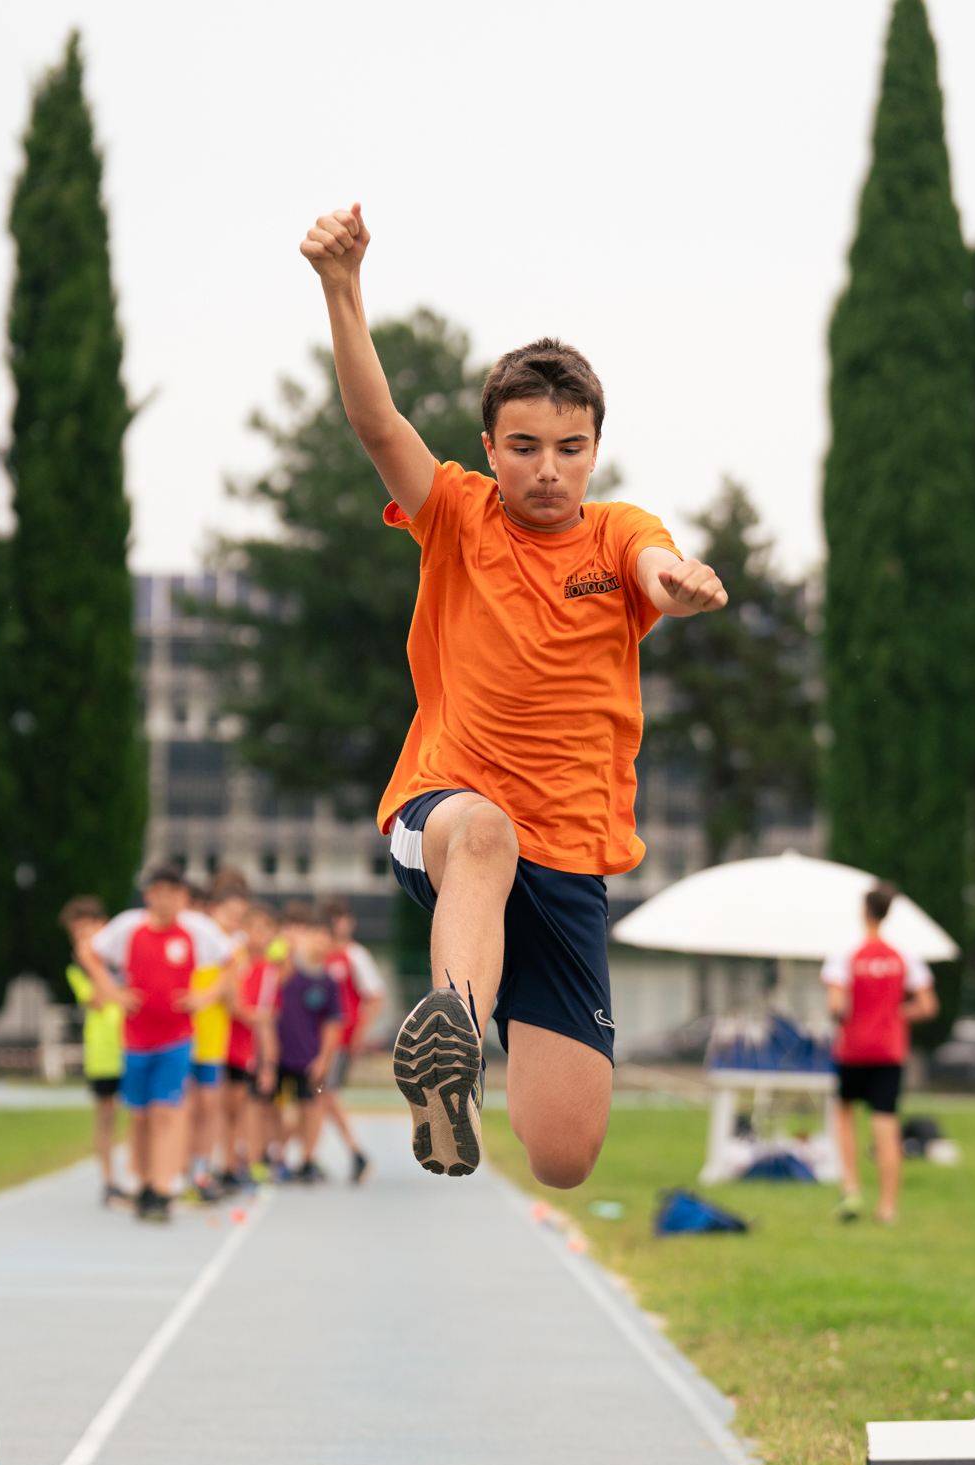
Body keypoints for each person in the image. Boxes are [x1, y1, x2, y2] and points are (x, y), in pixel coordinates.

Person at [299, 202, 727, 1188]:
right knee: (486, 832)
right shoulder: (455, 514)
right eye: (524, 446)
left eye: (569, 448)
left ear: (594, 449)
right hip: (449, 818)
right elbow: (376, 422)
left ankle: (483, 1055)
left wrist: (678, 584)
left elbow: (655, 566)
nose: (546, 469)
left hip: (569, 860)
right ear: (490, 447)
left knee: (565, 1156)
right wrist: (342, 285)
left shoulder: (617, 533)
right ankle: (448, 1057)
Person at [83, 865, 235, 1223]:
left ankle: (163, 1188)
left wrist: (206, 996)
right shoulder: (128, 927)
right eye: (158, 892)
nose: (165, 900)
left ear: (182, 897)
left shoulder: (196, 930)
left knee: (166, 1113)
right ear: (149, 895)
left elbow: (232, 960)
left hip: (176, 1037)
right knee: (140, 1116)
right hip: (136, 1038)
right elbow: (88, 952)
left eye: (172, 893)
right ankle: (143, 1182)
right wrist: (112, 991)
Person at [821, 882, 939, 1224]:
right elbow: (928, 1006)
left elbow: (834, 1005)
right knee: (886, 1124)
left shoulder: (846, 954)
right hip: (889, 1050)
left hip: (853, 1049)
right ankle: (887, 1207)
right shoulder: (904, 956)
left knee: (844, 1114)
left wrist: (853, 1013)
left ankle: (851, 1189)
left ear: (864, 912)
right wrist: (896, 1013)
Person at [61, 895, 128, 1205]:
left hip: (132, 1045)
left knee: (142, 1115)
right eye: (77, 934)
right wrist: (91, 963)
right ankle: (109, 1181)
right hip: (102, 1053)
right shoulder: (77, 971)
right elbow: (100, 999)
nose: (84, 938)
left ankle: (142, 1176)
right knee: (106, 1117)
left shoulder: (123, 961)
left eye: (89, 930)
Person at [186, 872, 248, 1199]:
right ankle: (180, 1173)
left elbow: (233, 1000)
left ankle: (201, 1172)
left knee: (209, 1108)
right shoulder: (197, 940)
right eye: (230, 915)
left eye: (240, 917)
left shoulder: (233, 950)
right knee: (186, 1108)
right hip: (187, 1037)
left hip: (214, 1040)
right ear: (213, 910)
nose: (235, 922)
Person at [275, 908, 342, 1183]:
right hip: (278, 1055)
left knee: (312, 1108)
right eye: (315, 935)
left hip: (309, 1057)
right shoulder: (286, 967)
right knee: (274, 1112)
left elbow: (333, 1024)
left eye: (326, 938)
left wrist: (324, 1059)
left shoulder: (328, 981)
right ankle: (273, 1157)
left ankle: (307, 1160)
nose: (320, 942)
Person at [321, 896, 383, 1183]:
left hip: (340, 1040)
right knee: (317, 1097)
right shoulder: (319, 953)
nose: (338, 924)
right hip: (316, 1040)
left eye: (342, 918)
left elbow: (376, 998)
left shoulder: (355, 955)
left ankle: (356, 1152)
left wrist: (359, 1033)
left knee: (325, 1093)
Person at [223, 899, 281, 1187]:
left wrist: (268, 1063)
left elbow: (266, 1019)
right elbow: (237, 1007)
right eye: (251, 927)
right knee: (227, 1108)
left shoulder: (270, 970)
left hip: (249, 1049)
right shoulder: (235, 962)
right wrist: (249, 1013)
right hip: (225, 1044)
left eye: (263, 929)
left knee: (248, 1107)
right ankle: (228, 1163)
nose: (256, 934)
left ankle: (247, 1161)